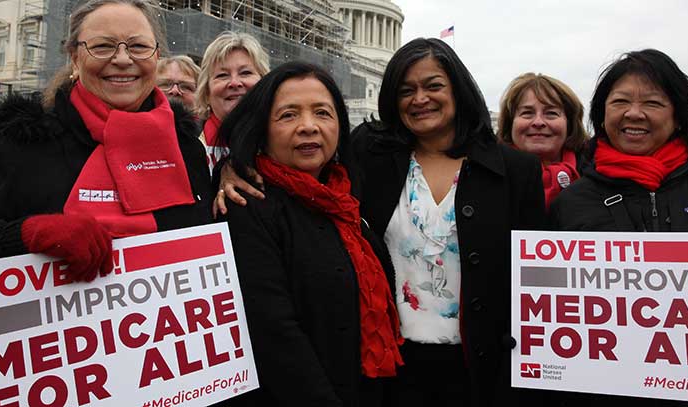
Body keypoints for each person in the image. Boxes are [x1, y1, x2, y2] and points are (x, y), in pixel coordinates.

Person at [214, 38, 546, 406]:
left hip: (481, 369)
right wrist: (233, 167)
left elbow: (533, 284)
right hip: (391, 373)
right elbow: (292, 164)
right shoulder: (370, 157)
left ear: (458, 88)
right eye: (406, 90)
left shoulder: (516, 172)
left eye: (433, 85)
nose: (420, 98)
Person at [549, 49, 688, 406]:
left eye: (652, 103)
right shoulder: (571, 203)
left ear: (679, 115)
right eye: (620, 101)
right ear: (602, 113)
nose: (633, 113)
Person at [0, 0, 212, 279]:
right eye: (102, 46)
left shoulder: (186, 149)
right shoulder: (20, 145)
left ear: (156, 56)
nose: (123, 59)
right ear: (75, 58)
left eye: (138, 46)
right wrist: (25, 234)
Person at [218, 61, 403, 406]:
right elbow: (273, 333)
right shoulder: (247, 203)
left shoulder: (346, 201)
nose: (308, 127)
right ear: (262, 129)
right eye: (288, 115)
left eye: (323, 113)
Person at [497, 72, 589, 209]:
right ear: (510, 124)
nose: (538, 122)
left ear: (569, 124)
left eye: (551, 113)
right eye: (527, 113)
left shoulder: (597, 175)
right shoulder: (485, 177)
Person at [196, 31, 269, 173]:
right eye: (222, 75)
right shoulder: (182, 146)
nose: (234, 83)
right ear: (206, 91)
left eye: (245, 73)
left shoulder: (282, 142)